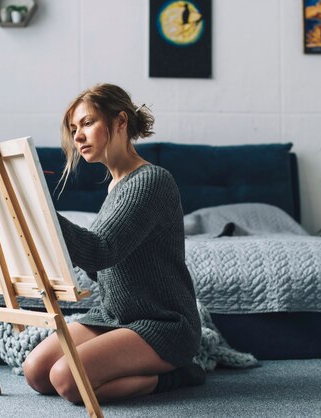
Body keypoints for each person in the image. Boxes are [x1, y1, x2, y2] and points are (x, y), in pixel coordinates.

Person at [22, 83, 204, 404]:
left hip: (162, 323)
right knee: (36, 372)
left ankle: (177, 375)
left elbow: (100, 251)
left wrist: (40, 211)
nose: (78, 136)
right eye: (74, 128)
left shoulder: (151, 180)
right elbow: (103, 267)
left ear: (120, 122)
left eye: (88, 123)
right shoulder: (114, 188)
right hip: (113, 315)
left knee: (67, 380)